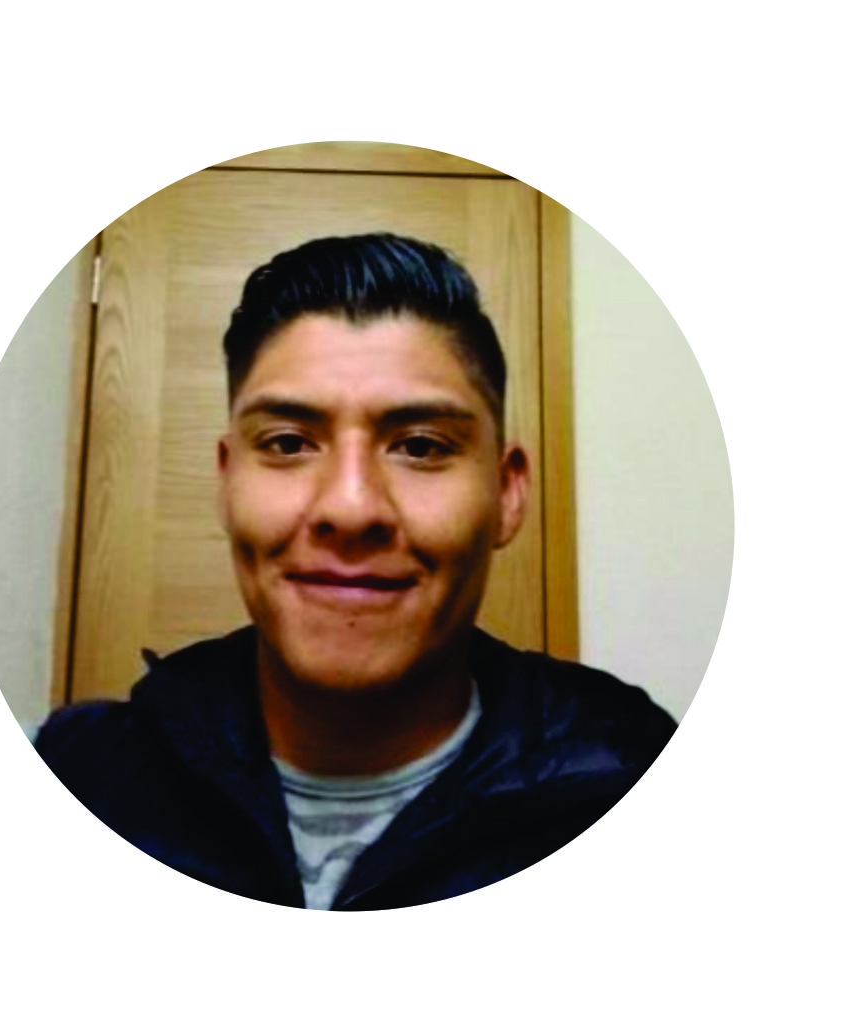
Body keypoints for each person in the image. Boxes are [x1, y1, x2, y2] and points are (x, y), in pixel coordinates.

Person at [35, 233, 677, 911]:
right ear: (226, 483)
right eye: (288, 443)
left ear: (507, 493)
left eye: (420, 446)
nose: (350, 507)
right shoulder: (74, 776)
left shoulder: (634, 784)